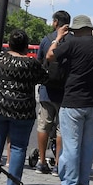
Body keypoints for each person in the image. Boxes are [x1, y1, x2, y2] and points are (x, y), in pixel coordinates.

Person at [46, 14, 93, 185]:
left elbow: (50, 56)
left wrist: (58, 38)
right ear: (90, 29)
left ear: (75, 30)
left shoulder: (72, 43)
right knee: (87, 147)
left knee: (71, 147)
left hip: (73, 101)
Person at [0, 29, 47, 185]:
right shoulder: (31, 63)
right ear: (26, 47)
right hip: (22, 110)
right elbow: (45, 77)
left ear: (10, 44)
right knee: (18, 148)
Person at [34, 10, 70, 174]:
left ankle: (41, 162)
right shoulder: (73, 41)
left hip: (47, 90)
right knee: (61, 129)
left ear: (56, 22)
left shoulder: (47, 40)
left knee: (44, 126)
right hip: (65, 92)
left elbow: (39, 62)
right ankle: (57, 164)